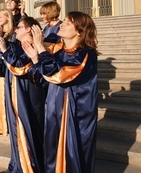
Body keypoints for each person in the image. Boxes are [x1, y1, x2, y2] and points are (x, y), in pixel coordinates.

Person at [23, 11, 98, 173]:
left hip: (73, 113)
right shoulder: (58, 53)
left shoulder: (85, 54)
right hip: (53, 110)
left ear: (79, 30)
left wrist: (41, 50)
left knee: (71, 154)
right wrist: (36, 59)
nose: (62, 25)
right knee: (52, 152)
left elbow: (59, 75)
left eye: (68, 23)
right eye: (63, 21)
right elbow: (43, 80)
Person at [0, 17, 46, 172]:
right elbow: (7, 71)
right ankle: (17, 165)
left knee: (28, 132)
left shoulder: (35, 47)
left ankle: (29, 168)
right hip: (14, 95)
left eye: (19, 27)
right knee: (16, 133)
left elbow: (19, 67)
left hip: (28, 97)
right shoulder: (18, 46)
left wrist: (4, 51)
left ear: (28, 29)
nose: (16, 30)